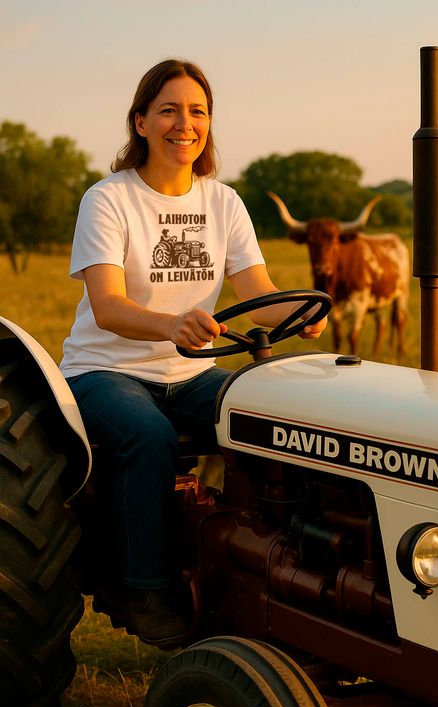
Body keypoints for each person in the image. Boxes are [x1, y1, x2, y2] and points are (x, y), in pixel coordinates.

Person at [60, 58, 327, 648]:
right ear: (141, 122)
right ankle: (146, 589)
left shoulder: (223, 202)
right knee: (148, 436)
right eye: (169, 110)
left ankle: (281, 568)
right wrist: (172, 325)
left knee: (282, 419)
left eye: (198, 111)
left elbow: (258, 296)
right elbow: (107, 306)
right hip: (103, 371)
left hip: (191, 371)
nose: (185, 124)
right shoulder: (109, 199)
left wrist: (301, 311)